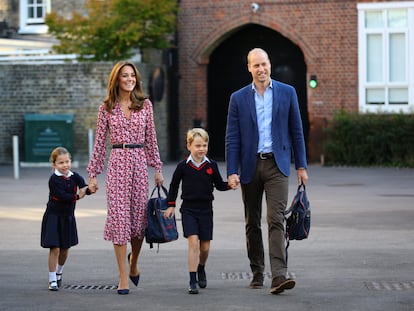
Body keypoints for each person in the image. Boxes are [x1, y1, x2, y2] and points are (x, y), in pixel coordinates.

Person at [225, 48, 309, 295]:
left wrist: (301, 166)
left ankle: (279, 276)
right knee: (252, 222)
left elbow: (297, 130)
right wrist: (232, 171)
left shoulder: (287, 92)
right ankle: (257, 271)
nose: (261, 69)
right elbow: (232, 138)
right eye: (256, 65)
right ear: (249, 68)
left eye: (264, 64)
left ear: (270, 65)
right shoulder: (238, 98)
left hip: (277, 165)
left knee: (276, 219)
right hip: (250, 165)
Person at [86, 61, 164, 295]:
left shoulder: (145, 105)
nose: (129, 79)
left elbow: (152, 139)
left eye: (132, 75)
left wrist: (157, 167)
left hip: (139, 163)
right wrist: (93, 175)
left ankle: (134, 262)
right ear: (116, 80)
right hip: (118, 162)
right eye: (124, 76)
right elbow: (100, 143)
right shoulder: (106, 108)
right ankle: (122, 277)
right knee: (120, 220)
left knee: (139, 223)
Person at [165, 128, 233, 294]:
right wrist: (171, 204)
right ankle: (192, 279)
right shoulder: (183, 166)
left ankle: (201, 267)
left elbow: (218, 184)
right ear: (189, 146)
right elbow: (174, 185)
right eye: (197, 145)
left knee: (205, 247)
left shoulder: (211, 165)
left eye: (204, 145)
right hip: (188, 209)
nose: (201, 149)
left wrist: (229, 185)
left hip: (206, 210)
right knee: (193, 242)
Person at [41, 147, 91, 291]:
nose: (65, 165)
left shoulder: (74, 176)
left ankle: (59, 272)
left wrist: (90, 189)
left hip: (68, 217)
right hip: (53, 216)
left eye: (67, 161)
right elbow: (62, 196)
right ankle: (52, 279)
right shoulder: (54, 180)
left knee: (65, 249)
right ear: (54, 164)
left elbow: (84, 186)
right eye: (61, 163)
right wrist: (78, 196)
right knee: (54, 248)